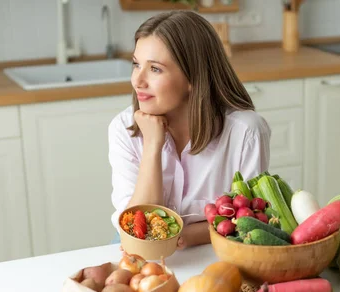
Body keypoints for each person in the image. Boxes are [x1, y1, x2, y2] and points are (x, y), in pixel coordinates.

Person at [108, 11, 271, 250]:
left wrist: (187, 237)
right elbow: (137, 232)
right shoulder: (124, 128)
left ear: (192, 77)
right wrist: (153, 145)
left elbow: (250, 218)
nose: (138, 81)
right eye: (136, 64)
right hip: (138, 251)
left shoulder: (246, 132)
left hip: (216, 248)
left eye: (155, 69)